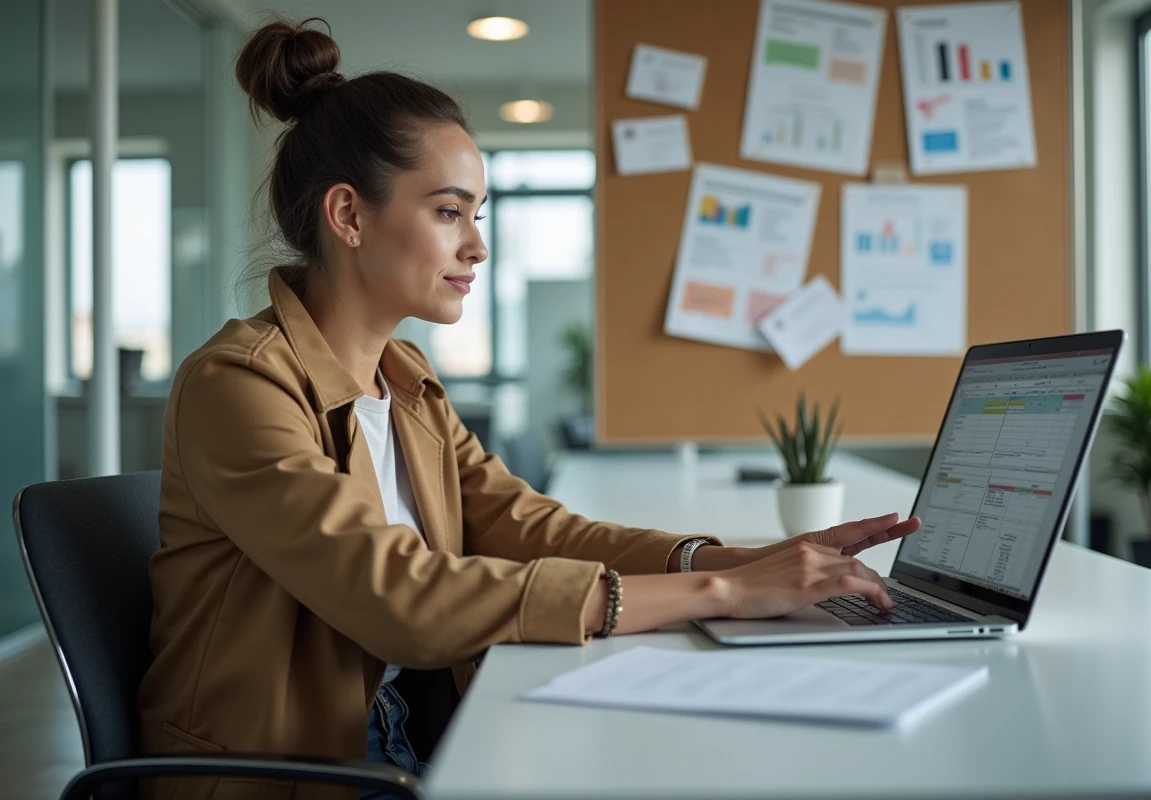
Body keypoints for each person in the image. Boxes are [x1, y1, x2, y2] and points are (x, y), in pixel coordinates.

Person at [136, 17, 921, 800]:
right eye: (449, 212)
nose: (477, 245)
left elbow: (534, 529)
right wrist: (726, 596)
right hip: (292, 775)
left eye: (476, 214)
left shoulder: (403, 379)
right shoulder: (237, 385)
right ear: (348, 216)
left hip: (412, 728)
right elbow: (400, 599)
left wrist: (745, 559)